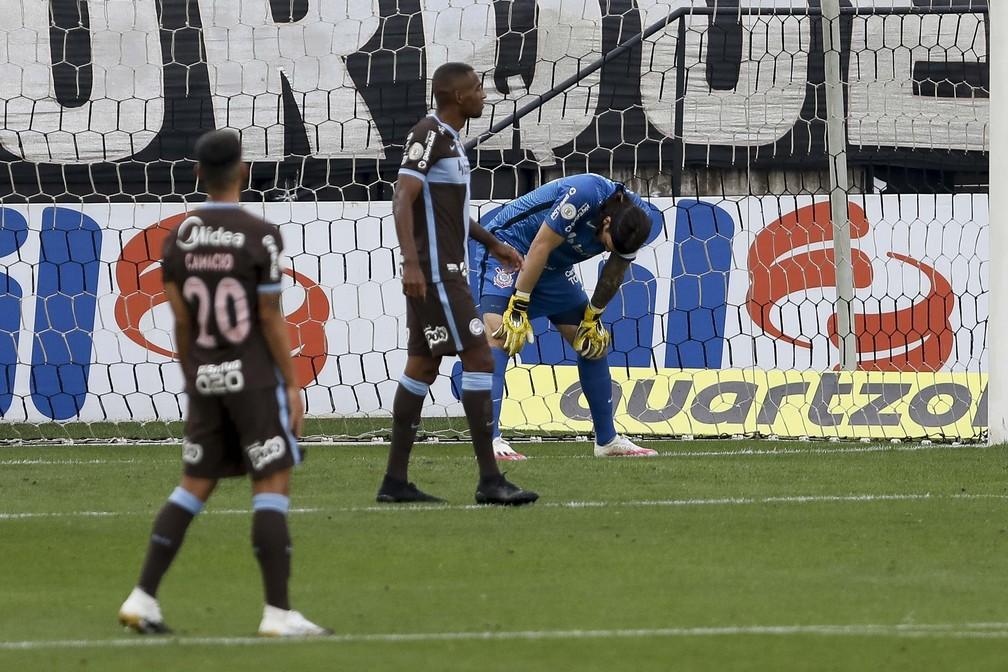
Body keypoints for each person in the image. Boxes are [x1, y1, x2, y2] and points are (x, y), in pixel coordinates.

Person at [117, 130, 328, 637]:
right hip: (253, 378)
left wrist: (194, 376)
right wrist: (292, 385)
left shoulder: (178, 238)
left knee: (194, 485)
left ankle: (142, 597)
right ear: (244, 172)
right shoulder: (260, 234)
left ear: (196, 175)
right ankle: (278, 613)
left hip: (205, 374)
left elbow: (181, 321)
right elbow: (271, 317)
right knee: (272, 483)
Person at [376, 62, 538, 506]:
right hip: (438, 273)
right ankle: (490, 480)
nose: (484, 94)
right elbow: (402, 197)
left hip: (446, 269)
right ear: (456, 96)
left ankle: (395, 482)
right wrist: (411, 262)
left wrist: (494, 243)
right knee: (482, 357)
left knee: (423, 367)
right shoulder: (428, 134)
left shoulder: (450, 142)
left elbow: (450, 211)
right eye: (477, 88)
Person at [469, 173, 661, 460]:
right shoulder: (584, 193)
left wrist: (594, 316)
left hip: (553, 267)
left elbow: (615, 270)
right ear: (606, 222)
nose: (608, 250)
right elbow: (540, 246)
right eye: (608, 244)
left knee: (591, 342)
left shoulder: (639, 220)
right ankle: (489, 441)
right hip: (510, 247)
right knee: (499, 335)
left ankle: (607, 441)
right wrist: (519, 305)